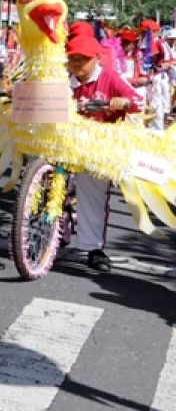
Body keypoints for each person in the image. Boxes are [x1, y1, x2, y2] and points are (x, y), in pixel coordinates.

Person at [65, 28, 142, 272]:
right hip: (62, 140)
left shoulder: (109, 77)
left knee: (93, 192)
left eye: (83, 59)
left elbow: (138, 100)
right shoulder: (62, 78)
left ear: (97, 58)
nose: (77, 63)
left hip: (96, 146)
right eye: (73, 57)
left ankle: (92, 248)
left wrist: (124, 102)